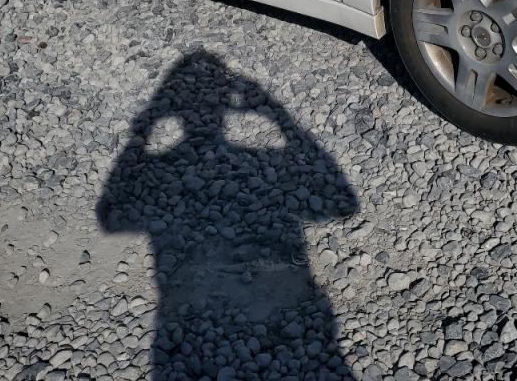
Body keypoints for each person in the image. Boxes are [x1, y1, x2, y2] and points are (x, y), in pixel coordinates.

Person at [98, 51, 359, 380]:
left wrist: (145, 124)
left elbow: (111, 214)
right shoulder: (267, 161)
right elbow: (343, 204)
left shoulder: (161, 167)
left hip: (177, 329)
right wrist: (279, 117)